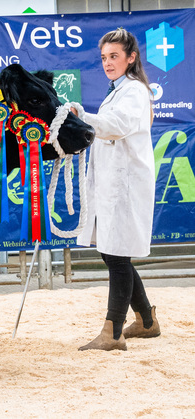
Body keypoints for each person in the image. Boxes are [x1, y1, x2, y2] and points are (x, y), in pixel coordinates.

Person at [74, 28, 161, 351]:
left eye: (114, 56)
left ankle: (112, 332)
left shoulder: (134, 92)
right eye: (104, 58)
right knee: (113, 252)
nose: (108, 63)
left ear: (131, 57)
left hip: (125, 185)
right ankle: (146, 321)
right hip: (114, 183)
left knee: (117, 255)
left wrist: (82, 117)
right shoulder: (118, 90)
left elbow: (118, 126)